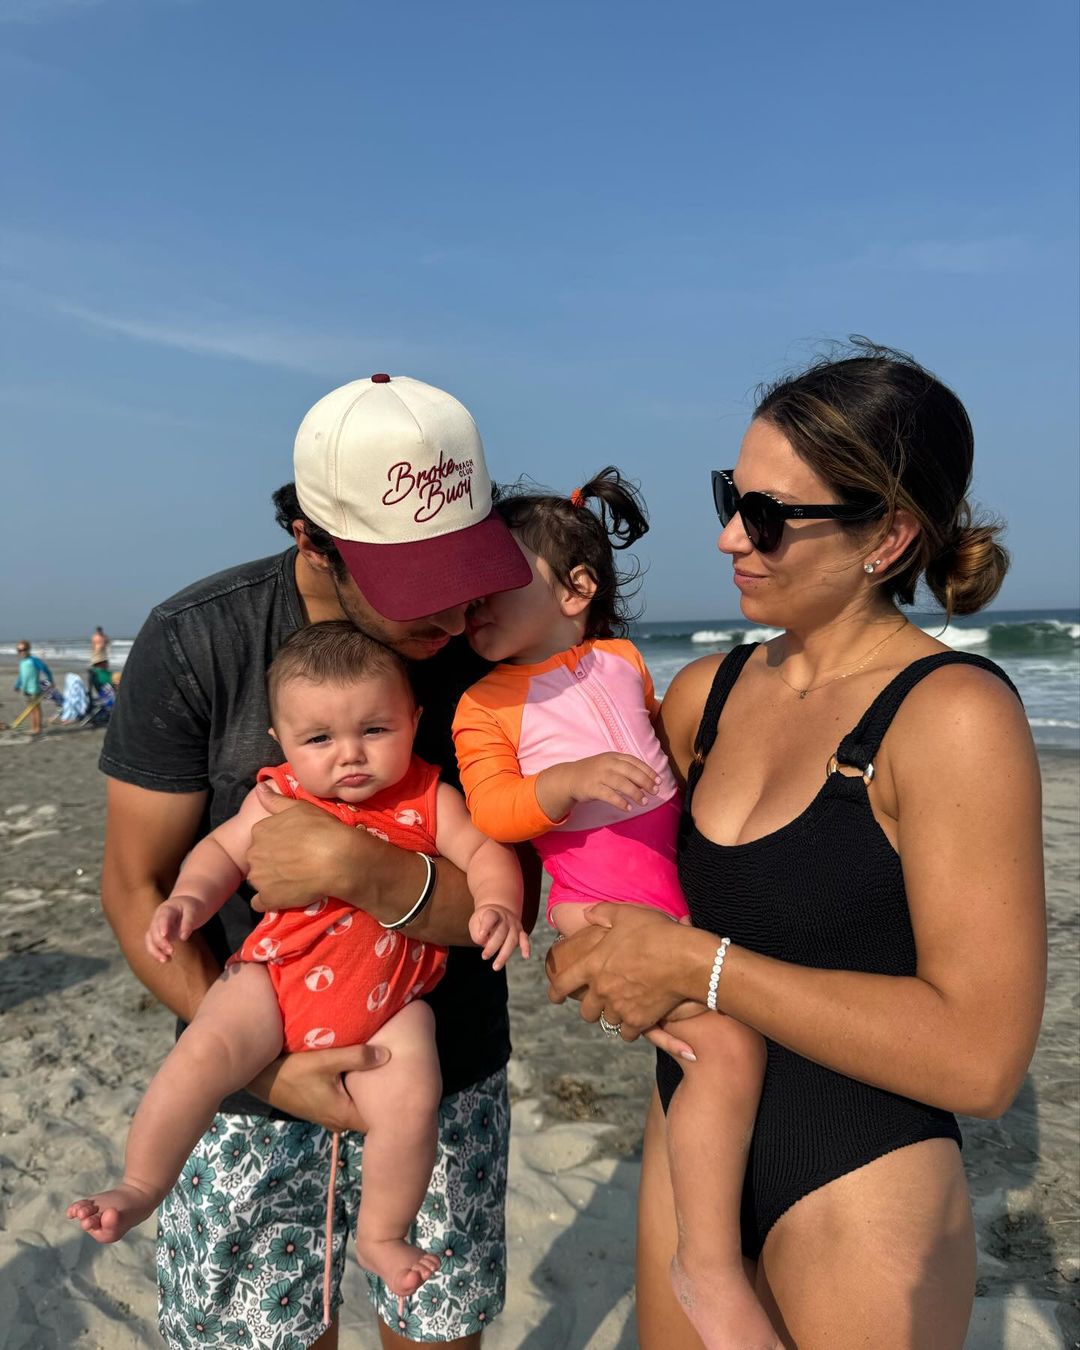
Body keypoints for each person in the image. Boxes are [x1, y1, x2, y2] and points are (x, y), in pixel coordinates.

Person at [547, 343, 1046, 1349]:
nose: (731, 536)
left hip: (859, 1180)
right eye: (732, 495)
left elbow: (984, 1059)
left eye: (770, 516)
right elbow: (596, 866)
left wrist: (699, 965)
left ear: (889, 535)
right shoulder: (705, 698)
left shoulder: (950, 719)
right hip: (693, 1168)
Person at [97, 373, 539, 1350]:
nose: (454, 614)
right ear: (313, 540)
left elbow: (516, 896)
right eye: (415, 584)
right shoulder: (198, 641)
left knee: (436, 1328)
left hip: (437, 1074)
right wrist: (268, 1073)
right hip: (252, 1077)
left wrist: (361, 868)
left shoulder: (497, 649)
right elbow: (137, 885)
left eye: (466, 568)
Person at [71, 621, 527, 1309]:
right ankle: (140, 1183)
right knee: (203, 1054)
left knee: (411, 1100)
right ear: (282, 742)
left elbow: (489, 854)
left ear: (414, 720)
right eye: (320, 740)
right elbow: (221, 853)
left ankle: (382, 1234)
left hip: (390, 1007)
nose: (350, 756)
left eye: (375, 730)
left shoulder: (428, 796)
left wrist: (497, 903)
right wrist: (188, 902)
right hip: (276, 981)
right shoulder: (276, 795)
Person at [452, 469, 779, 1346]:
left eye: (494, 586)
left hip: (672, 897)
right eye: (467, 593)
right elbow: (492, 809)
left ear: (576, 590)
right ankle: (706, 1267)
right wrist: (563, 782)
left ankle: (728, 1234)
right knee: (726, 1047)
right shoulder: (483, 703)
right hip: (594, 903)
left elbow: (663, 739)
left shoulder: (623, 661)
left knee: (715, 1047)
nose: (471, 605)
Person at [14, 640, 54, 736]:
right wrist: (17, 685)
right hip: (26, 689)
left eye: (24, 649)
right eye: (19, 650)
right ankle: (33, 727)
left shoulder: (34, 660)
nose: (22, 652)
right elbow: (21, 676)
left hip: (34, 689)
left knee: (36, 708)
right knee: (31, 709)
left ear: (28, 649)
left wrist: (50, 680)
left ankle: (38, 728)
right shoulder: (22, 662)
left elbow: (45, 669)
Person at [88, 625, 112, 703]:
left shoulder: (103, 637)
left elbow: (108, 643)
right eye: (99, 630)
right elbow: (93, 646)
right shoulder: (95, 637)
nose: (99, 631)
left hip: (102, 656)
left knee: (103, 675)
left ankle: (103, 691)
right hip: (97, 657)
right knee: (97, 675)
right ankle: (102, 692)